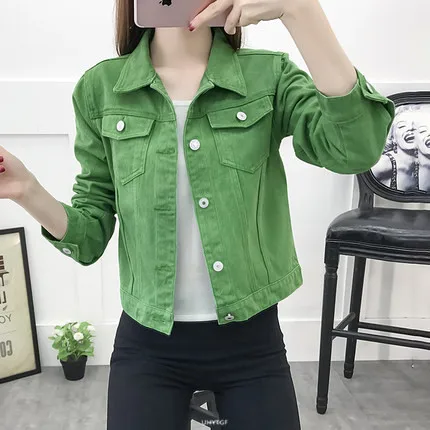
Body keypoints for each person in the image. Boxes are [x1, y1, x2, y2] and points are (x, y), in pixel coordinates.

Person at [0, 0, 395, 428]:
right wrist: (26, 191)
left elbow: (355, 148)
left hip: (252, 340)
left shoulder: (269, 75)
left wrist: (300, 9)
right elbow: (89, 235)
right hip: (148, 344)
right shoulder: (101, 89)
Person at [371, 106, 420, 191]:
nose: (410, 128)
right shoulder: (382, 165)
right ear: (392, 137)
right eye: (402, 126)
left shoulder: (423, 164)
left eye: (415, 125)